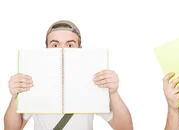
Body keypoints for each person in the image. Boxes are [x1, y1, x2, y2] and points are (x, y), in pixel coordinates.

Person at [3, 20, 133, 130]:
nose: (62, 50)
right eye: (55, 45)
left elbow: (125, 128)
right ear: (46, 49)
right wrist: (15, 97)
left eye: (70, 45)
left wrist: (114, 93)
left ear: (79, 49)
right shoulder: (33, 80)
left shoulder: (94, 81)